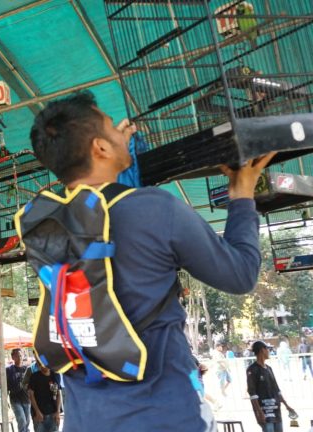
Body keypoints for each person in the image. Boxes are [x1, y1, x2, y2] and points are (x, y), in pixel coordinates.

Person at [26, 91, 273, 431]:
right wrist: (242, 195)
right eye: (112, 128)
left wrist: (114, 154)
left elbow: (106, 213)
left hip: (85, 419)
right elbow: (240, 274)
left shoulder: (47, 226)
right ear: (100, 147)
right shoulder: (155, 208)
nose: (122, 132)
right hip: (164, 415)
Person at [247, 340, 296, 431]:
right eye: (267, 349)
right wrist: (259, 412)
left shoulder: (269, 369)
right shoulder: (252, 369)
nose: (269, 351)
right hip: (264, 410)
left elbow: (276, 389)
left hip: (276, 409)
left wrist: (287, 405)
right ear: (262, 350)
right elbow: (252, 393)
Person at [27, 364, 60, 432]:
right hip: (39, 416)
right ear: (39, 365)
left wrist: (58, 412)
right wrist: (37, 411)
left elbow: (59, 394)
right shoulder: (34, 376)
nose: (45, 366)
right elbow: (31, 394)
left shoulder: (56, 375)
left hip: (53, 415)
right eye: (43, 364)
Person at [5, 349, 30, 432]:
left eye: (20, 355)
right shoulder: (9, 370)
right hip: (15, 399)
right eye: (17, 355)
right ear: (13, 357)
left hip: (26, 399)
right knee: (22, 420)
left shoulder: (27, 369)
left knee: (27, 421)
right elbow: (5, 386)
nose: (19, 357)